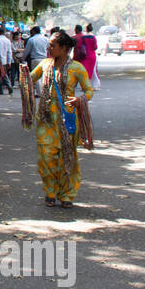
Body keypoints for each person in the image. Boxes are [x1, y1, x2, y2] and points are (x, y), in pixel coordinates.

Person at [23, 30, 94, 208]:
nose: (49, 48)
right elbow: (29, 80)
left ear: (64, 49)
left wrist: (80, 100)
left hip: (66, 119)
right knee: (45, 158)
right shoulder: (45, 65)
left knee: (67, 158)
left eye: (53, 45)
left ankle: (67, 195)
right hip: (45, 120)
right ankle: (50, 191)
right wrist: (24, 76)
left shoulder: (76, 68)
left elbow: (88, 90)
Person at [0, 28, 15, 94]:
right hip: (4, 60)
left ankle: (0, 90)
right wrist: (9, 62)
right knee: (3, 74)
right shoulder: (7, 41)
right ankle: (8, 85)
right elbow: (9, 52)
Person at [83, 23, 100, 89]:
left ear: (86, 29)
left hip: (85, 56)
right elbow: (95, 47)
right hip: (92, 55)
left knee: (86, 70)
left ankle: (85, 85)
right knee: (93, 71)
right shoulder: (93, 37)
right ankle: (95, 85)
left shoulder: (83, 37)